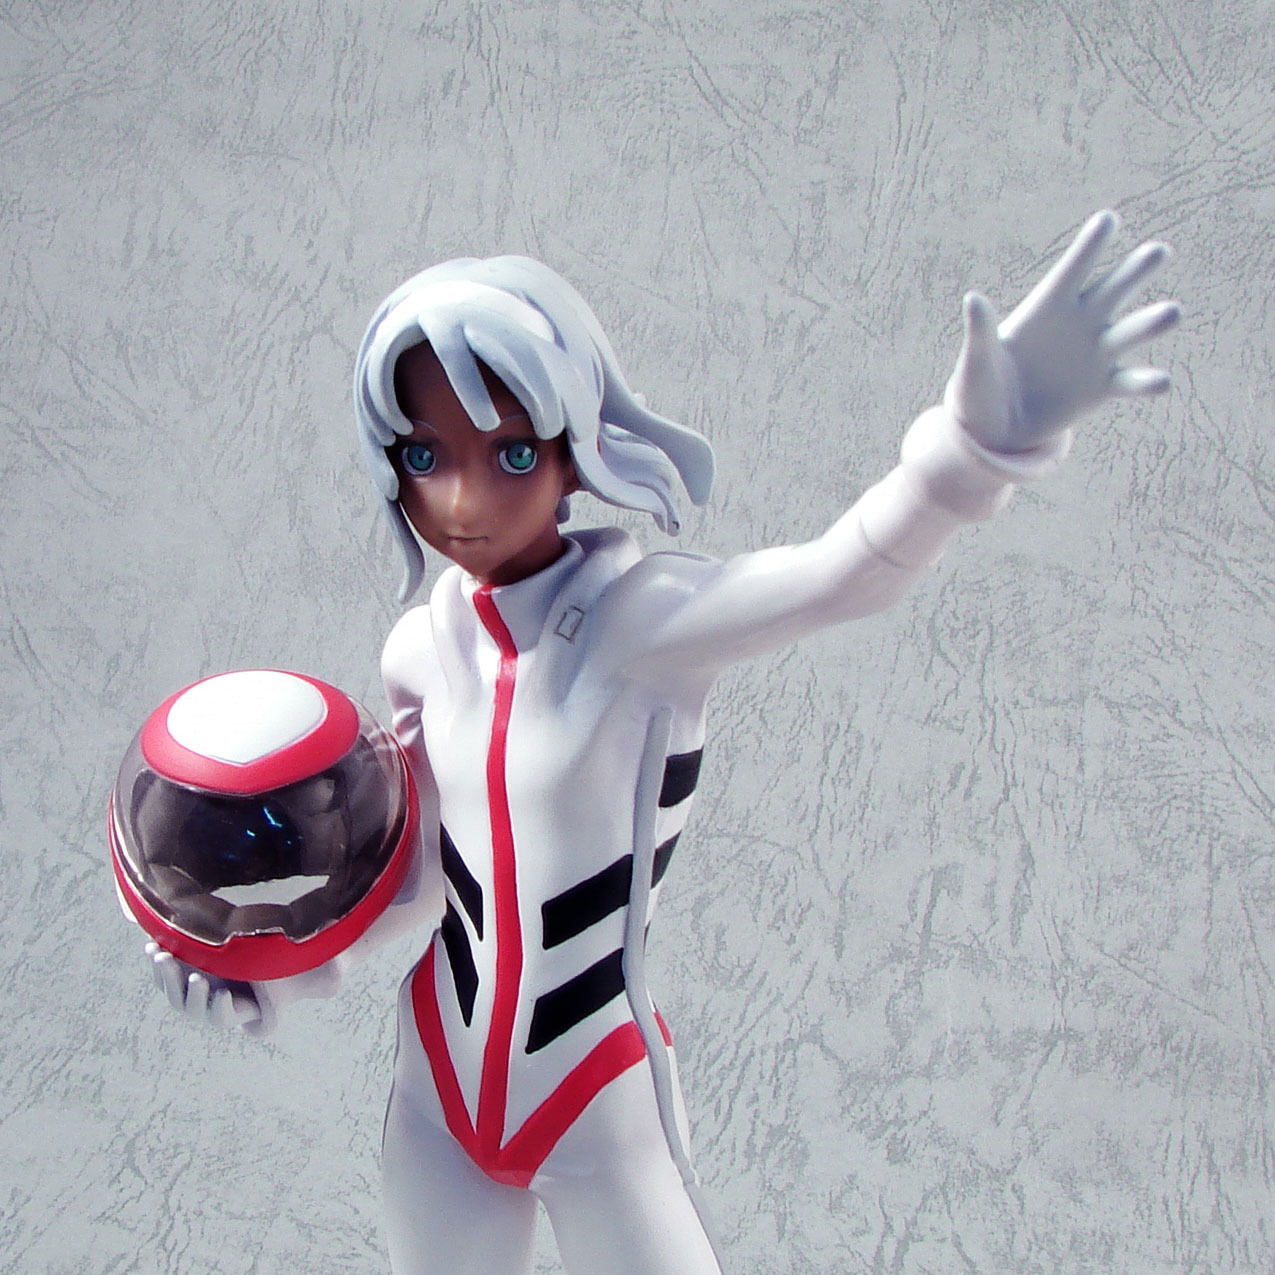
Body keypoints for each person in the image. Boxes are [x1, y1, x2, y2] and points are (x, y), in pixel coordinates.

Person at [146, 211, 1178, 1274]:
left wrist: (965, 454)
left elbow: (836, 577)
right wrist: (279, 960)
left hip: (592, 1099)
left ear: (576, 452)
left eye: (511, 451)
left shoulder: (642, 626)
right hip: (435, 1086)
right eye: (422, 454)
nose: (460, 498)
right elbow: (418, 886)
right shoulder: (421, 647)